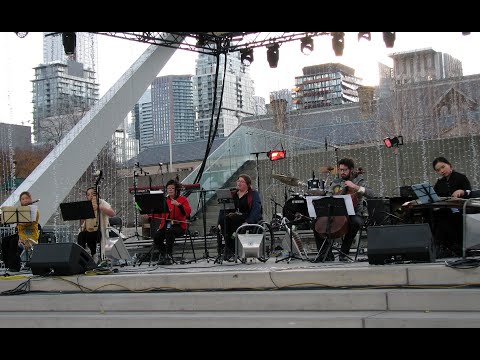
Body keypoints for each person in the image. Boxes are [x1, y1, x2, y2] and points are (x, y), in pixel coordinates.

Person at [314, 158, 375, 262]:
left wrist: (355, 186)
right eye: (340, 170)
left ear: (351, 170)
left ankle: (344, 253)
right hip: (336, 213)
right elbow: (329, 195)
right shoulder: (336, 182)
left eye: (345, 170)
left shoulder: (359, 181)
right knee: (316, 224)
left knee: (355, 223)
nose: (342, 172)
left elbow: (371, 193)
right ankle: (326, 255)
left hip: (355, 213)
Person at [432, 156, 471, 258]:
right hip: (445, 210)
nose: (441, 171)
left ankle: (455, 247)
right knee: (435, 216)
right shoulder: (440, 183)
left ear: (449, 165)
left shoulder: (460, 177)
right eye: (438, 170)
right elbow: (435, 197)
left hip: (460, 210)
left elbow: (469, 191)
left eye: (443, 167)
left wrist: (461, 191)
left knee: (448, 219)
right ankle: (441, 247)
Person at [217, 174, 262, 260]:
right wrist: (220, 222)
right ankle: (228, 249)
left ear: (247, 184)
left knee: (232, 225)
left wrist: (248, 221)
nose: (239, 183)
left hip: (246, 218)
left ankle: (231, 250)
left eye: (241, 181)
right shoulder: (233, 194)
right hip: (233, 218)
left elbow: (256, 209)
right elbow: (224, 208)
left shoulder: (253, 194)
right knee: (224, 222)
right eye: (238, 181)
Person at [152, 179, 192, 265]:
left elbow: (188, 212)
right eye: (168, 188)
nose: (170, 190)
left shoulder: (182, 199)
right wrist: (149, 214)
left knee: (169, 231)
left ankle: (168, 255)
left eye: (172, 188)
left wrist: (179, 205)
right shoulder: (164, 200)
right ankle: (164, 254)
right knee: (157, 236)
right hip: (165, 225)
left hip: (179, 226)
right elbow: (159, 214)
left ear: (176, 190)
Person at [1, 191, 40, 272]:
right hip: (21, 234)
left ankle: (15, 266)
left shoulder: (34, 211)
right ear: (20, 201)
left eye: (26, 198)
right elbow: (16, 223)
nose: (25, 200)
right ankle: (8, 264)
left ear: (30, 199)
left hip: (30, 235)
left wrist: (17, 221)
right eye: (22, 199)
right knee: (5, 240)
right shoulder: (19, 211)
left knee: (13, 241)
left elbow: (28, 224)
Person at [77, 187, 115, 264]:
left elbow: (112, 214)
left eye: (92, 194)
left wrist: (99, 207)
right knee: (81, 236)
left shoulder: (102, 203)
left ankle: (94, 256)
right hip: (88, 229)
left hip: (100, 230)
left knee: (91, 235)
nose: (90, 196)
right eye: (88, 195)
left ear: (97, 195)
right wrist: (82, 216)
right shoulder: (86, 205)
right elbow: (82, 223)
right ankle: (83, 258)